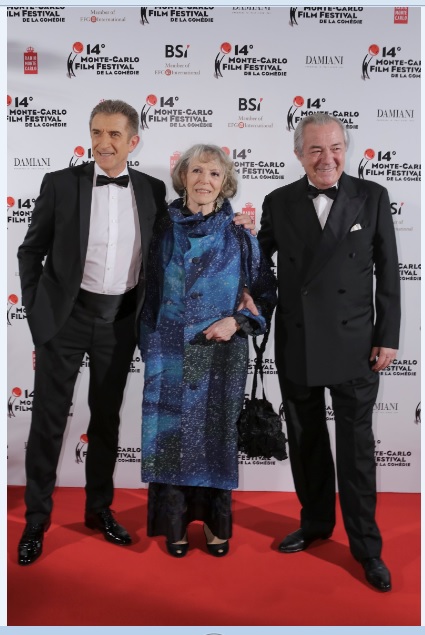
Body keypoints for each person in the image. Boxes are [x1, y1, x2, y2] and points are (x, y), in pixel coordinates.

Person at [16, 99, 169, 565]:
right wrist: (38, 311)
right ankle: (36, 519)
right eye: (97, 132)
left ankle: (99, 508)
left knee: (106, 420)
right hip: (65, 320)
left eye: (114, 134)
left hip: (120, 323)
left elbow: (173, 245)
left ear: (133, 141)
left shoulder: (153, 190)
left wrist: (235, 225)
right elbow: (30, 251)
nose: (103, 143)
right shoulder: (61, 184)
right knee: (48, 420)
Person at [257, 113, 400, 591]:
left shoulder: (372, 196)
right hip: (298, 340)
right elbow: (257, 263)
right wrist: (235, 236)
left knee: (357, 452)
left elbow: (389, 272)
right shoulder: (278, 201)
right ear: (299, 154)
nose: (327, 158)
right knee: (307, 441)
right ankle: (316, 523)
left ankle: (367, 548)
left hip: (356, 344)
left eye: (335, 147)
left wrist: (388, 335)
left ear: (346, 149)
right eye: (316, 149)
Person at [139, 144, 277, 557]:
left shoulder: (240, 236)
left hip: (221, 355)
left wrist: (237, 321)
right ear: (183, 177)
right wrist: (149, 344)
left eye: (214, 173)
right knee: (171, 440)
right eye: (196, 171)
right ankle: (175, 524)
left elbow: (266, 294)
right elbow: (146, 292)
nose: (205, 180)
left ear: (225, 182)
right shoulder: (161, 230)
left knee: (215, 437)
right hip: (168, 354)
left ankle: (217, 526)